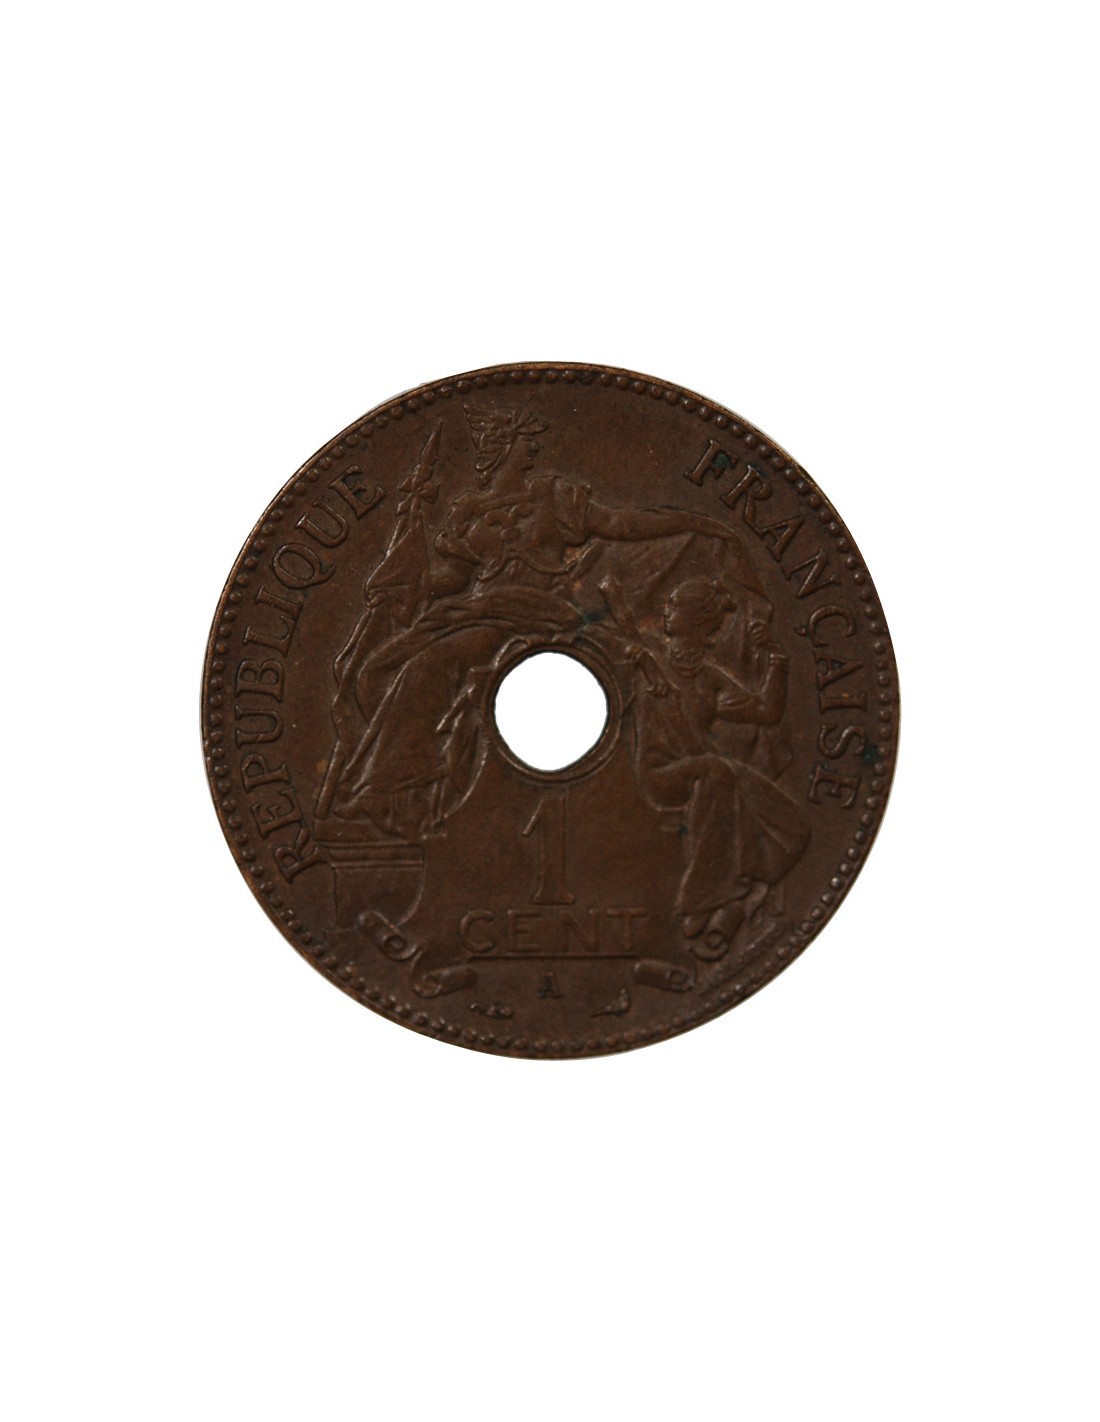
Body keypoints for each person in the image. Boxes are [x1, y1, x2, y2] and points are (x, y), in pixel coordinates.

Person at [317, 406, 754, 839]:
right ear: (504, 447)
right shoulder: (468, 509)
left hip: (536, 613)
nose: (532, 451)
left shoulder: (552, 495)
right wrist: (406, 580)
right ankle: (411, 793)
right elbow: (454, 580)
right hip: (478, 611)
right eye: (526, 442)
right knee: (377, 669)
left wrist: (691, 522)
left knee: (424, 667)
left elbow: (619, 524)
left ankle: (381, 790)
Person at [630, 578, 810, 959]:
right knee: (716, 772)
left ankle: (736, 890)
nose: (666, 610)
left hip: (701, 769)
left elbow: (766, 711)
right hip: (656, 773)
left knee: (790, 824)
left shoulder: (708, 677)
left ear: (697, 620)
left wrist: (775, 660)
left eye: (675, 605)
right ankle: (701, 900)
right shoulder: (646, 657)